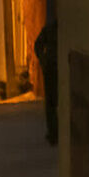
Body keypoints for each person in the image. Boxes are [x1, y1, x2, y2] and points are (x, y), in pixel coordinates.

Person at [32, 13, 58, 146]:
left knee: (52, 103)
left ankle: (54, 132)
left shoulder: (52, 28)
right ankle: (54, 133)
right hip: (52, 69)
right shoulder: (53, 29)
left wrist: (43, 59)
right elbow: (38, 45)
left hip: (53, 68)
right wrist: (44, 60)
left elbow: (38, 45)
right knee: (52, 103)